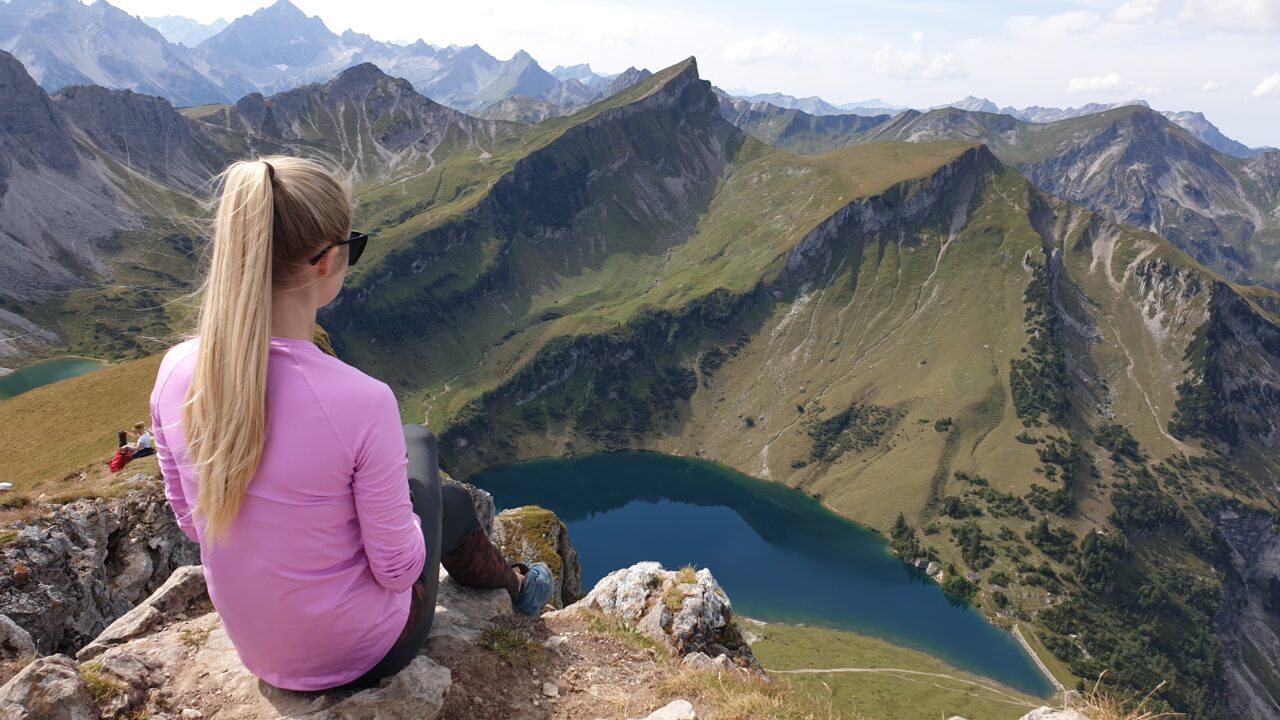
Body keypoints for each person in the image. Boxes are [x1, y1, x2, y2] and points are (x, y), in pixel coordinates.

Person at [147, 155, 554, 694]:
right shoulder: (360, 401)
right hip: (358, 650)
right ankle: (525, 589)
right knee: (445, 498)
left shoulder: (176, 371)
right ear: (325, 262)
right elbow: (397, 569)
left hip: (255, 646)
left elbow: (192, 522)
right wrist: (411, 518)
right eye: (351, 247)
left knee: (417, 450)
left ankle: (519, 583)